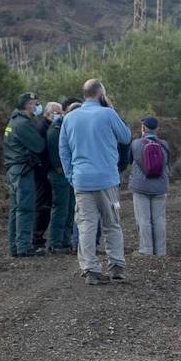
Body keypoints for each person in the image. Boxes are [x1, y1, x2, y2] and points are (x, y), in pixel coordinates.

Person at [59, 79, 131, 285]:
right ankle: (116, 266)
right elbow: (125, 137)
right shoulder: (108, 114)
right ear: (101, 95)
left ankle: (90, 269)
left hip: (81, 181)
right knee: (112, 224)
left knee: (86, 225)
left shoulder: (69, 118)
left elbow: (63, 150)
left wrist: (70, 176)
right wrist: (111, 108)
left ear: (84, 95)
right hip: (107, 180)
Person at [2, 92, 46, 257]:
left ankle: (15, 247)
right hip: (22, 170)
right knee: (25, 208)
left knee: (16, 209)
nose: (37, 106)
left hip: (14, 170)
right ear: (28, 105)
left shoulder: (14, 121)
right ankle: (23, 247)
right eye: (35, 103)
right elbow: (39, 146)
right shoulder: (23, 124)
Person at [129, 116, 171, 256]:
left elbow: (130, 160)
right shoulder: (164, 144)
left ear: (143, 128)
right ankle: (161, 251)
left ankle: (146, 249)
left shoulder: (135, 144)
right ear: (157, 129)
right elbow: (168, 162)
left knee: (144, 219)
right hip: (160, 186)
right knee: (159, 219)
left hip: (141, 186)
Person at [43, 102, 75, 253]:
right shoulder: (56, 129)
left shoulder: (64, 127)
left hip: (67, 174)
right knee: (61, 209)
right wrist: (62, 170)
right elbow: (56, 155)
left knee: (69, 209)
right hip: (60, 175)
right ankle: (55, 243)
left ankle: (65, 241)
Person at [30, 99, 52, 251]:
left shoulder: (47, 125)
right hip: (41, 173)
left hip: (44, 171)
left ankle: (38, 237)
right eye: (56, 113)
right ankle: (36, 238)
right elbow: (40, 149)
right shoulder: (41, 127)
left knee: (45, 205)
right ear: (48, 113)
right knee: (41, 206)